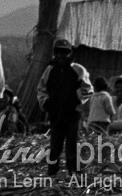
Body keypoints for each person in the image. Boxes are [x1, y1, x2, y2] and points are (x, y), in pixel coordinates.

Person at [36, 38, 91, 176]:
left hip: (72, 115)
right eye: (58, 52)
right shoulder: (49, 70)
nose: (61, 55)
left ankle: (75, 174)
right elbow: (41, 89)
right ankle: (52, 173)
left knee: (72, 145)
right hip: (56, 115)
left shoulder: (78, 70)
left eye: (64, 53)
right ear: (54, 53)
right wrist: (46, 103)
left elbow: (88, 89)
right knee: (55, 146)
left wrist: (79, 102)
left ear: (70, 54)